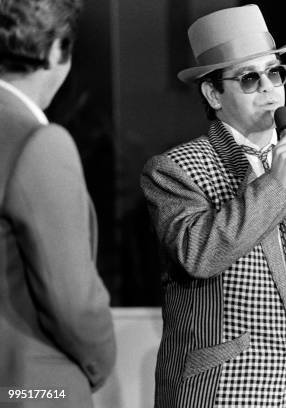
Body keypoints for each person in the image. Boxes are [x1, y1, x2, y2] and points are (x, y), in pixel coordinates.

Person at [140, 5, 286, 408]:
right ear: (213, 93)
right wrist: (274, 182)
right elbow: (200, 255)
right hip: (218, 394)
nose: (269, 88)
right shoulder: (177, 168)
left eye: (275, 72)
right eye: (249, 78)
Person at [0, 0, 116, 406]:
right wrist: (99, 367)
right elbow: (73, 303)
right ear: (54, 51)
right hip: (33, 389)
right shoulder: (40, 143)